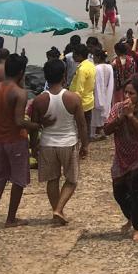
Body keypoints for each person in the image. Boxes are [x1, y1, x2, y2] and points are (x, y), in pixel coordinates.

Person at [0, 54, 42, 228]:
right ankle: (11, 218)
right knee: (18, 179)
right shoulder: (20, 93)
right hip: (15, 139)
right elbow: (19, 121)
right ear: (21, 72)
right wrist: (35, 125)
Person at [31, 59, 88, 225]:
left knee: (52, 179)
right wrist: (85, 145)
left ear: (46, 77)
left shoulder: (39, 100)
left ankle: (58, 211)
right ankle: (58, 209)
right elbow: (82, 124)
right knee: (71, 180)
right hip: (68, 143)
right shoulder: (73, 98)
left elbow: (35, 127)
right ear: (64, 75)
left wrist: (34, 146)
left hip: (47, 143)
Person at [104, 81, 138, 241]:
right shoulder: (117, 108)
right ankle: (131, 216)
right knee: (119, 191)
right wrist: (121, 117)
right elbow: (106, 129)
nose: (127, 96)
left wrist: (131, 116)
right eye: (126, 92)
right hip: (121, 155)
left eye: (131, 93)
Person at [68, 45, 96, 129]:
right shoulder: (91, 64)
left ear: (80, 55)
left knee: (81, 125)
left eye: (74, 55)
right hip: (89, 100)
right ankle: (87, 138)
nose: (72, 57)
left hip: (82, 102)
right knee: (87, 123)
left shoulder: (82, 69)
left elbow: (79, 90)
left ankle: (84, 139)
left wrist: (74, 104)